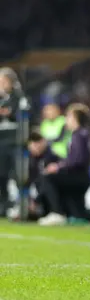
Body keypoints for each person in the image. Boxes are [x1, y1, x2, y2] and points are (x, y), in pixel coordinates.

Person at [0, 67, 22, 217]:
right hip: (1, 142)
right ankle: (4, 204)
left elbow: (15, 114)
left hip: (15, 142)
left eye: (2, 81)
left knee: (17, 175)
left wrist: (7, 111)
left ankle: (21, 205)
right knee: (1, 175)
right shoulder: (2, 98)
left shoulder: (20, 97)